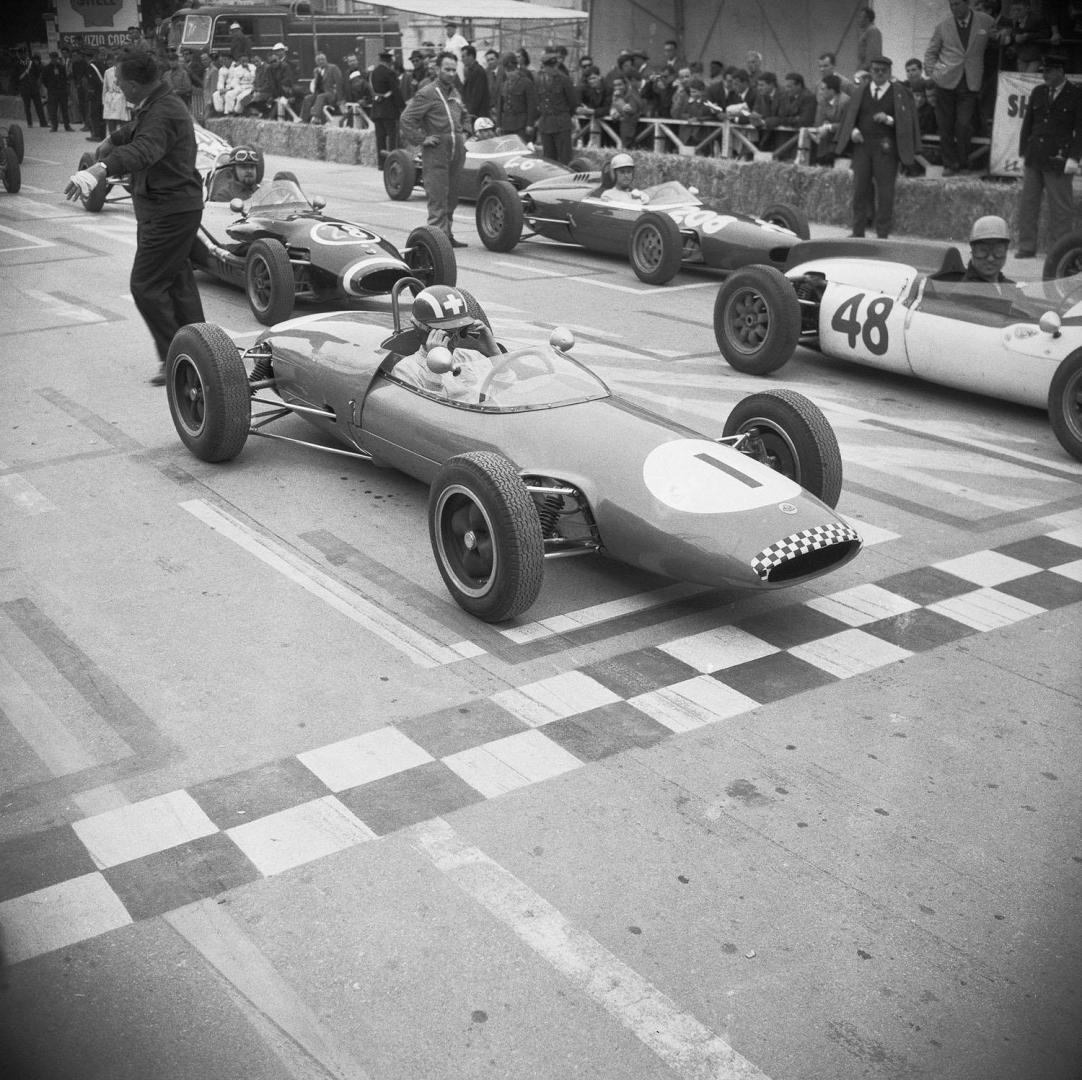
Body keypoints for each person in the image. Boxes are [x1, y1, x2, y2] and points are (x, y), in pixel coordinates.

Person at [64, 51, 205, 386]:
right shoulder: (158, 104)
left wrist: (101, 168)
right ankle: (201, 356)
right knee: (178, 283)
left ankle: (178, 361)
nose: (119, 89)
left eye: (120, 83)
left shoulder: (164, 110)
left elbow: (145, 149)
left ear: (133, 83)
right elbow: (138, 130)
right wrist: (112, 139)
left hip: (168, 210)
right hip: (170, 207)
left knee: (146, 286)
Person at [835, 56, 921, 239]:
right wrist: (853, 131)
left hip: (886, 149)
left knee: (885, 192)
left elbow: (908, 121)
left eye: (883, 71)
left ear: (889, 72)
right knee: (860, 190)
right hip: (862, 146)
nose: (879, 73)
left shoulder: (900, 92)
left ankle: (882, 235)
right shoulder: (861, 91)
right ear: (870, 72)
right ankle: (858, 232)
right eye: (876, 70)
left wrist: (889, 119)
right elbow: (850, 117)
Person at [400, 51, 470, 248]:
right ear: (438, 69)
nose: (451, 73)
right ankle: (437, 242)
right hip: (437, 151)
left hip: (456, 150)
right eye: (447, 69)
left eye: (454, 70)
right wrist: (422, 139)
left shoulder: (455, 93)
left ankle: (447, 235)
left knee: (452, 197)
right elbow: (406, 118)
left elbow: (465, 114)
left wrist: (466, 132)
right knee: (437, 196)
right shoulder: (427, 93)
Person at [1015, 54, 1082, 257]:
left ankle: (1058, 251)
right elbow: (1028, 123)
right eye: (1043, 71)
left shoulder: (1075, 94)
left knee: (1060, 208)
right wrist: (1023, 152)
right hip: (1035, 155)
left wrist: (1074, 158)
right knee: (1028, 203)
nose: (1045, 76)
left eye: (1049, 71)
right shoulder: (1039, 91)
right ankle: (1026, 246)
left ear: (1061, 71)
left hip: (1058, 157)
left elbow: (1080, 129)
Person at [924, 0, 997, 176]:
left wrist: (1004, 36)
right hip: (945, 83)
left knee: (963, 125)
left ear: (967, 3)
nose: (953, 8)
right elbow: (931, 53)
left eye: (957, 4)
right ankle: (950, 164)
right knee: (945, 126)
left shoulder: (985, 21)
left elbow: (996, 37)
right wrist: (935, 73)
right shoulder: (943, 26)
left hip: (970, 83)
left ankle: (964, 163)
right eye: (951, 5)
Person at [393, 285, 499, 398]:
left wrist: (495, 354)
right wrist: (434, 368)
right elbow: (425, 408)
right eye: (449, 333)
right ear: (423, 331)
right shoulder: (406, 370)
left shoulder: (472, 357)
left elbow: (506, 394)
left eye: (462, 330)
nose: (457, 338)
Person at [935, 215, 1017, 291]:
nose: (990, 258)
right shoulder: (966, 292)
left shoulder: (1011, 287)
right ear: (972, 251)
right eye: (983, 250)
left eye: (997, 250)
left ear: (1006, 250)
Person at [535, 46, 578, 163]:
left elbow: (573, 102)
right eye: (550, 67)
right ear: (545, 67)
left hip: (561, 123)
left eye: (555, 66)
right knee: (549, 158)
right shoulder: (539, 80)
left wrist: (565, 115)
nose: (554, 69)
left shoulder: (565, 80)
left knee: (564, 157)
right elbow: (538, 100)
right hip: (546, 123)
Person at [370, 49, 404, 164]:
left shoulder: (373, 73)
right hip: (389, 109)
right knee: (393, 138)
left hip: (376, 109)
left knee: (380, 138)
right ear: (389, 61)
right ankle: (392, 162)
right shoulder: (389, 73)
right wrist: (402, 107)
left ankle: (381, 163)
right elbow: (396, 91)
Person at [496, 51, 537, 139]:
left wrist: (530, 124)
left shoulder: (526, 83)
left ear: (517, 69)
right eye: (508, 71)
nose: (510, 73)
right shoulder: (503, 85)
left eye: (513, 70)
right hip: (506, 124)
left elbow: (531, 105)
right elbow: (500, 106)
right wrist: (498, 124)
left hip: (521, 124)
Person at [811, 74, 851, 165]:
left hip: (842, 145)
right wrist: (824, 125)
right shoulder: (822, 101)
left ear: (832, 91)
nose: (820, 92)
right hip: (825, 143)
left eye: (823, 89)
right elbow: (818, 122)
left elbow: (847, 125)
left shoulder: (846, 101)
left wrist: (828, 126)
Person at [301, 52, 343, 124]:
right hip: (319, 94)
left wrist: (340, 99)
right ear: (316, 62)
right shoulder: (316, 70)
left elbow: (339, 83)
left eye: (323, 59)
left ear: (326, 60)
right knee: (307, 98)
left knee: (320, 96)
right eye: (319, 60)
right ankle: (304, 119)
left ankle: (316, 118)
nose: (321, 61)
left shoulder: (333, 68)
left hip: (331, 94)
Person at [41, 52, 73, 132]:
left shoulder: (61, 67)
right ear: (51, 58)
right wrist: (50, 86)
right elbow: (44, 80)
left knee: (65, 109)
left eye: (55, 58)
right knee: (53, 110)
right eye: (53, 58)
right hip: (52, 91)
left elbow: (65, 78)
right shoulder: (47, 68)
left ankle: (67, 126)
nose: (54, 59)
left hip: (62, 91)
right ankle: (54, 126)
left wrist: (64, 87)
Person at [460, 44, 491, 123]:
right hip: (473, 113)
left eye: (463, 56)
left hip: (478, 115)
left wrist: (470, 113)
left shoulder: (478, 71)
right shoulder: (470, 71)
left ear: (471, 56)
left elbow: (477, 95)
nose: (462, 59)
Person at [102, 51, 131, 134]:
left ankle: (125, 139)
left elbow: (129, 88)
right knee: (111, 123)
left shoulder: (127, 71)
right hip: (110, 99)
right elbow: (105, 88)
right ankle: (112, 139)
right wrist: (104, 101)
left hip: (122, 98)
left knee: (124, 123)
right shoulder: (108, 72)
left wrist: (129, 104)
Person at [16, 50, 47, 128]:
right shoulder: (17, 64)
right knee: (27, 107)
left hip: (34, 88)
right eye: (21, 54)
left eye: (24, 53)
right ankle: (29, 123)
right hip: (24, 89)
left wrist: (33, 82)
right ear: (19, 55)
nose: (23, 55)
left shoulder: (31, 63)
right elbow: (15, 77)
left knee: (39, 106)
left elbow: (37, 73)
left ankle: (43, 123)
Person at [856, 8, 884, 72]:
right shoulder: (866, 32)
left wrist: (863, 70)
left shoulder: (872, 31)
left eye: (860, 17)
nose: (858, 20)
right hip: (864, 68)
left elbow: (873, 54)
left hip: (868, 70)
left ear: (867, 19)